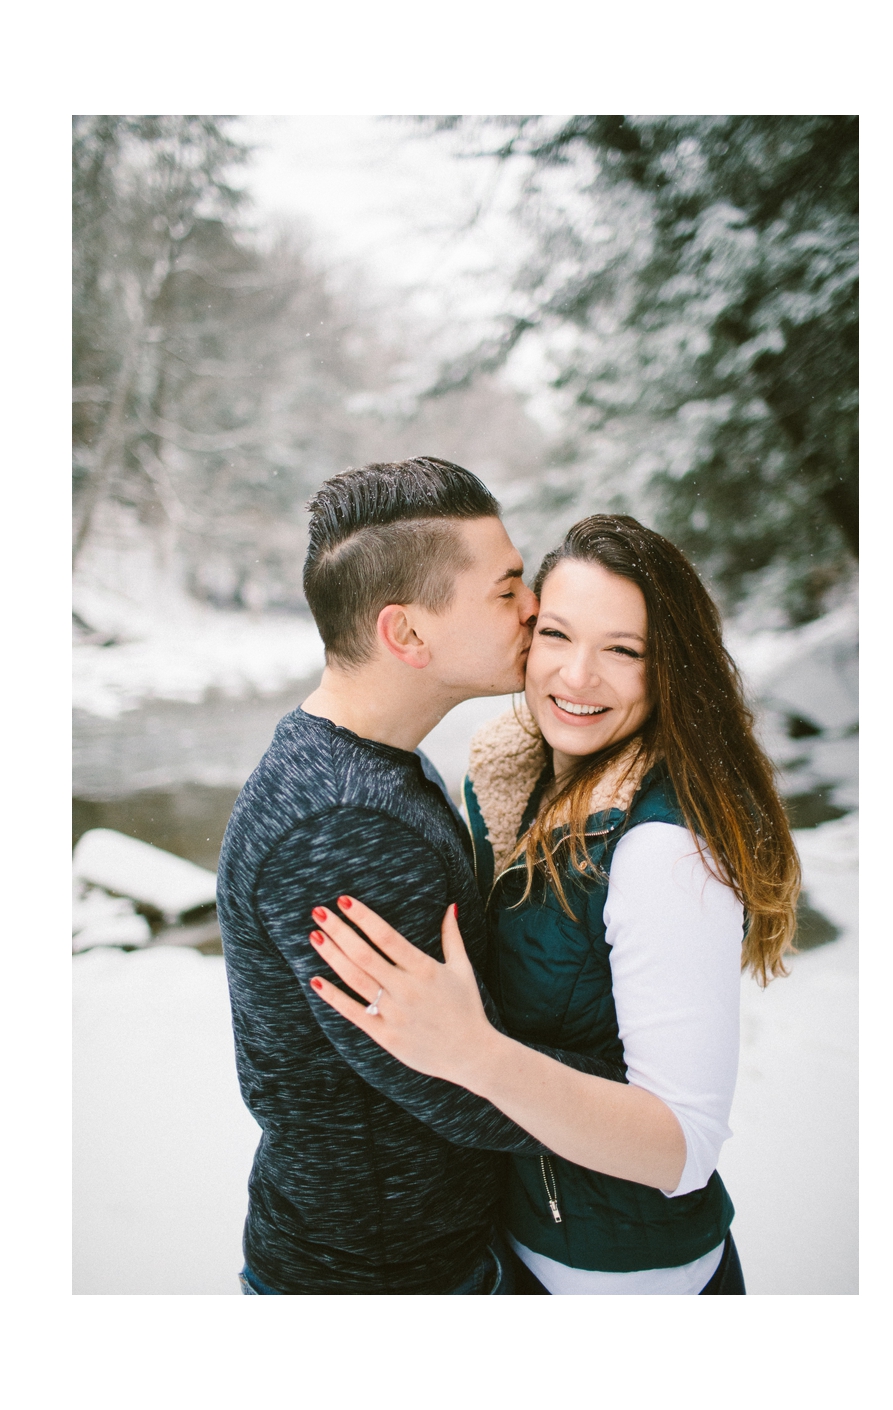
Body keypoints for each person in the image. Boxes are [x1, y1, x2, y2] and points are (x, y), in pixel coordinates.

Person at [305, 514, 798, 1294]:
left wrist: (475, 1053)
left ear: (670, 671)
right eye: (558, 635)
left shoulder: (664, 853)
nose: (576, 677)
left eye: (623, 651)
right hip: (524, 1247)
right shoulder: (519, 780)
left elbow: (682, 1146)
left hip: (630, 1282)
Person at [216, 457, 628, 1295]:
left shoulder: (359, 767)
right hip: (381, 1282)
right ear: (406, 635)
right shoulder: (342, 827)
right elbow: (448, 1080)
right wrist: (647, 1101)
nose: (535, 608)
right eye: (507, 589)